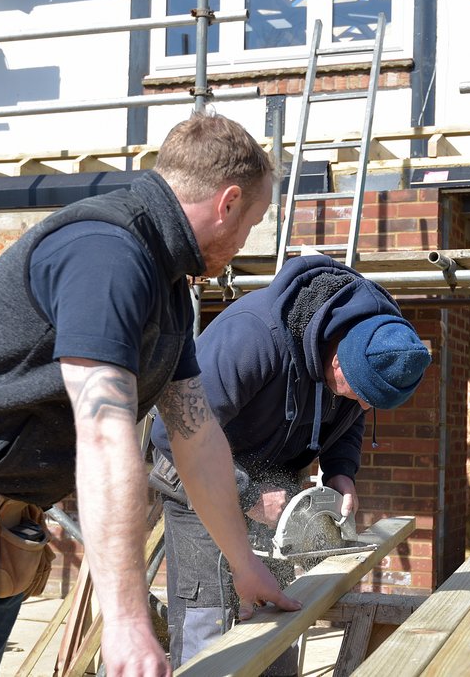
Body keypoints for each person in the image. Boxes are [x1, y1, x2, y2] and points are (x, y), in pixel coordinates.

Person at [0, 111, 301, 677]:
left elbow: (196, 436)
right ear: (228, 202)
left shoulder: (168, 286)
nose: (247, 241)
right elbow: (104, 435)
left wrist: (244, 565)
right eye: (254, 221)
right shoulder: (108, 255)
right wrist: (125, 621)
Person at [148, 254, 431, 675]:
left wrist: (341, 471)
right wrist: (247, 495)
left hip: (276, 494)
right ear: (338, 359)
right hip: (199, 482)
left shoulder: (371, 340)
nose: (362, 405)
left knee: (274, 622)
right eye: (358, 392)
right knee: (210, 629)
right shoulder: (253, 336)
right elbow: (172, 432)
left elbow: (349, 414)